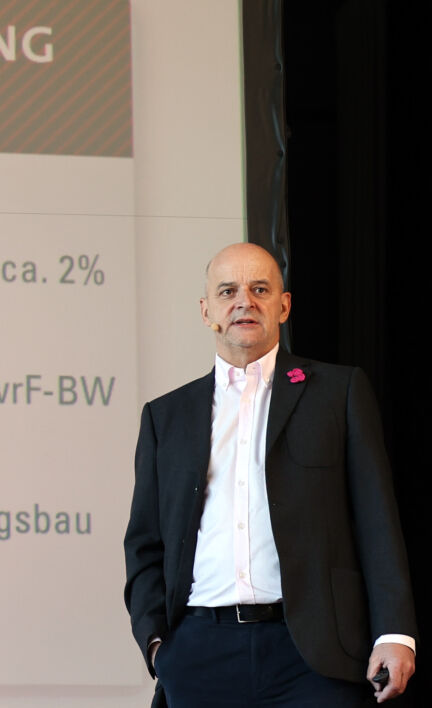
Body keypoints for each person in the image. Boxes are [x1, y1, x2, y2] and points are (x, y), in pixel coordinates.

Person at [123, 243, 417, 707]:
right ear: (206, 311)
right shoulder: (166, 416)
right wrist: (159, 645)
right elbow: (145, 542)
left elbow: (376, 520)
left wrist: (395, 633)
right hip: (200, 653)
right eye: (228, 291)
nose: (245, 301)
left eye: (260, 289)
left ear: (284, 305)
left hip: (315, 657)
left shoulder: (338, 393)